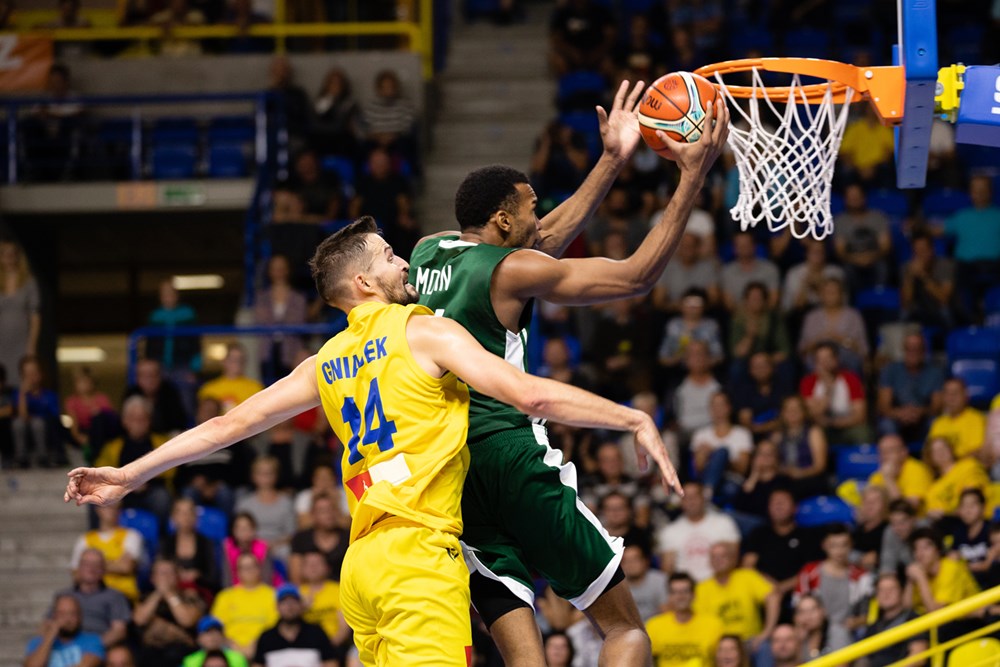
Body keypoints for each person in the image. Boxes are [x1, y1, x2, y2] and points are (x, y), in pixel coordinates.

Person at [64, 218, 681, 666]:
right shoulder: (422, 330)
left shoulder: (322, 361)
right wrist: (631, 418)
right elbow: (531, 397)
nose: (404, 264)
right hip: (417, 558)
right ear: (363, 280)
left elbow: (226, 427)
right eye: (389, 256)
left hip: (360, 569)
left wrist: (132, 473)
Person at [405, 84, 727, 664]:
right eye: (530, 205)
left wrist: (611, 161)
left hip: (449, 468)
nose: (539, 213)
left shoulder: (428, 251)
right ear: (503, 219)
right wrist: (692, 176)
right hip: (510, 452)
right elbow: (635, 277)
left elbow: (538, 243)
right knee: (624, 630)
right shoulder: (510, 270)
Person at [94, 396, 174, 522]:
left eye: (142, 419)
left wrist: (144, 482)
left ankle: (163, 539)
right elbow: (101, 470)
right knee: (96, 497)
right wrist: (126, 484)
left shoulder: (160, 443)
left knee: (162, 498)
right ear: (125, 421)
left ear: (149, 421)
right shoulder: (113, 447)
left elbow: (170, 470)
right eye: (133, 419)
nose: (138, 423)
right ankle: (99, 537)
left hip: (151, 490)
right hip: (121, 491)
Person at [742, 488, 824, 607]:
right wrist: (769, 585)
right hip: (763, 594)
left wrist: (782, 587)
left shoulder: (808, 536)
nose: (778, 506)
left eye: (783, 502)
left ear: (795, 508)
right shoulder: (759, 533)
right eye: (774, 502)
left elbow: (812, 570)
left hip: (798, 595)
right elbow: (748, 565)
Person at [694, 542, 780, 650]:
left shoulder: (747, 576)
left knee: (764, 647)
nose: (718, 560)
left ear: (733, 559)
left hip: (750, 641)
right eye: (714, 557)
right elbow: (699, 622)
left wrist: (767, 632)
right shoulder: (701, 588)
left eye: (723, 556)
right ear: (709, 561)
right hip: (719, 645)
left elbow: (773, 597)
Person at [794, 524, 873, 637]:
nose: (839, 551)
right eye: (834, 545)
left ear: (851, 545)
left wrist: (856, 622)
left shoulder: (862, 577)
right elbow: (797, 607)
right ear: (824, 545)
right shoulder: (809, 572)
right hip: (812, 632)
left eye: (844, 545)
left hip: (847, 633)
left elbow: (868, 614)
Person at [656, 481, 739, 582]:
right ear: (680, 501)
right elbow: (667, 570)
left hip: (719, 586)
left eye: (695, 496)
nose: (691, 501)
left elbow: (733, 559)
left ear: (703, 498)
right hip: (687, 591)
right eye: (686, 497)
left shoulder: (724, 523)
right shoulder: (669, 531)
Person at [52, 548, 131, 648]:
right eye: (86, 564)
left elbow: (119, 631)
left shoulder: (115, 596)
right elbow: (47, 625)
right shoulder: (63, 595)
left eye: (96, 565)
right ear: (78, 568)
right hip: (64, 647)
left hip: (99, 649)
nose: (91, 569)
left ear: (104, 570)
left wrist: (92, 649)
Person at [133, 558, 205, 667]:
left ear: (178, 576)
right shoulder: (144, 598)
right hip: (150, 654)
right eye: (161, 573)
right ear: (153, 578)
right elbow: (139, 620)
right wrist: (158, 594)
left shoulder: (190, 597)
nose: (166, 577)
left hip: (182, 653)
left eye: (170, 572)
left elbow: (187, 621)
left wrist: (169, 594)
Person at [645, 572, 723, 667]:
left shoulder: (713, 624)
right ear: (669, 596)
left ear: (693, 595)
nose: (680, 597)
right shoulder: (654, 625)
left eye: (685, 591)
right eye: (675, 592)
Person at [70, 503, 144, 603]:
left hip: (124, 596)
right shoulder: (85, 539)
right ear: (98, 510)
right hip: (93, 596)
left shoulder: (131, 535)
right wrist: (114, 563)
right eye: (107, 507)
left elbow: (126, 566)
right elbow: (77, 575)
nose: (111, 510)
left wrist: (90, 566)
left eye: (114, 507)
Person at [877, 332, 944, 441]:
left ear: (924, 351)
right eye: (909, 348)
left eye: (917, 348)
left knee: (935, 423)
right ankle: (893, 456)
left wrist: (920, 412)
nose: (913, 352)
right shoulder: (890, 370)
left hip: (924, 418)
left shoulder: (935, 372)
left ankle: (930, 456)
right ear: (904, 350)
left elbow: (937, 407)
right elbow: (883, 406)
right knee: (886, 425)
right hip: (897, 418)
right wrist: (900, 413)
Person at [799, 342, 870, 446]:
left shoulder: (851, 379)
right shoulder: (808, 382)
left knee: (863, 433)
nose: (824, 362)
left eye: (828, 358)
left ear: (836, 359)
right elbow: (811, 415)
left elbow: (860, 415)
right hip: (821, 428)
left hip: (848, 425)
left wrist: (833, 423)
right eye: (820, 359)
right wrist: (828, 388)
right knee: (811, 433)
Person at [251, 584, 338, 667]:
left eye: (293, 601)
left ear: (301, 605)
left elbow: (331, 663)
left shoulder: (317, 633)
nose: (289, 606)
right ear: (277, 607)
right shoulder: (266, 638)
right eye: (284, 602)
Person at [211, 553, 279, 657]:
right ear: (237, 572)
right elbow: (216, 627)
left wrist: (256, 645)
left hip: (264, 648)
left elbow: (275, 627)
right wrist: (233, 646)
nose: (249, 570)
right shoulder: (225, 596)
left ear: (259, 569)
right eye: (245, 567)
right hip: (229, 650)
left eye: (252, 566)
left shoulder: (273, 595)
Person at [254, 254, 308, 381]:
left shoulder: (298, 298)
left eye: (282, 268)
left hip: (292, 351)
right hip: (267, 351)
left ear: (288, 270)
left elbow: (299, 321)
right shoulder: (261, 297)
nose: (278, 272)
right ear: (269, 271)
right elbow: (260, 320)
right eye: (275, 268)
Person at [689, 392, 752, 502]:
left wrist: (715, 454)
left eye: (721, 405)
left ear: (729, 407)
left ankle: (708, 493)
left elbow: (742, 468)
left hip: (731, 480)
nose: (717, 409)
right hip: (705, 478)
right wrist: (705, 456)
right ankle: (709, 490)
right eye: (714, 405)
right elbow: (698, 468)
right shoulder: (701, 434)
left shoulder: (742, 434)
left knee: (723, 452)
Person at [797, 277, 869, 372]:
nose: (830, 295)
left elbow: (863, 349)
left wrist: (840, 339)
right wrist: (821, 338)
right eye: (827, 292)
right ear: (821, 295)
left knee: (853, 361)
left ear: (841, 294)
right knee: (812, 361)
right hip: (818, 357)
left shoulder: (853, 316)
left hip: (846, 356)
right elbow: (803, 349)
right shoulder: (812, 317)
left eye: (834, 292)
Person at [859, 572, 929, 667]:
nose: (886, 594)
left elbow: (918, 657)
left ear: (901, 592)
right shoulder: (873, 627)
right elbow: (864, 658)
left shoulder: (913, 619)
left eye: (891, 589)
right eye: (881, 590)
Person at [234, 456, 297, 561]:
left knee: (286, 551)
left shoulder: (286, 502)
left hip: (278, 547)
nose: (265, 477)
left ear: (276, 476)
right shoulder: (244, 504)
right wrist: (259, 546)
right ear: (253, 476)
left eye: (269, 473)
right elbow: (239, 532)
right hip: (250, 546)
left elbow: (291, 533)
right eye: (261, 473)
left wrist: (274, 544)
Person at [833, 183, 892, 293]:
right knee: (846, 270)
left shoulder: (878, 217)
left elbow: (885, 246)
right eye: (851, 197)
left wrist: (870, 257)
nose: (854, 200)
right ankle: (853, 301)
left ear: (864, 197)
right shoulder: (840, 221)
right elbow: (840, 251)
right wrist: (856, 259)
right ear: (845, 199)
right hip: (851, 260)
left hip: (875, 259)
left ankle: (880, 296)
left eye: (857, 196)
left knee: (882, 266)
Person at [907, 528, 980, 614]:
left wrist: (921, 578)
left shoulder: (950, 567)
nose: (920, 554)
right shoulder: (921, 571)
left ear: (937, 550)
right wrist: (910, 581)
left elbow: (936, 612)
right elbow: (907, 608)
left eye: (925, 548)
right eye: (916, 549)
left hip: (972, 620)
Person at [159, 497, 220, 595]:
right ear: (174, 517)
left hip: (200, 591)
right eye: (181, 513)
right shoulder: (166, 543)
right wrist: (176, 575)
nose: (186, 517)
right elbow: (158, 573)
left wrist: (198, 575)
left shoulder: (206, 543)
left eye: (189, 512)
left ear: (196, 517)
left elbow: (213, 577)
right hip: (171, 591)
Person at [772, 395, 830, 496]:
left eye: (796, 408)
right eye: (788, 409)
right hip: (784, 477)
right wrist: (783, 470)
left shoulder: (814, 432)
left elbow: (819, 466)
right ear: (782, 413)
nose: (792, 412)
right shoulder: (777, 435)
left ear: (804, 411)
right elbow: (771, 462)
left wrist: (800, 473)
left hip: (808, 477)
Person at [24, 594, 104, 667]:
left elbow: (87, 664)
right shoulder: (37, 642)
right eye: (62, 614)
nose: (67, 619)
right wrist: (50, 635)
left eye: (73, 614)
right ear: (54, 616)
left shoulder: (93, 640)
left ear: (80, 617)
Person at [923, 436, 991, 520]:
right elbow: (938, 514)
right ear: (930, 458)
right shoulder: (932, 491)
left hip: (984, 517)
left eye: (943, 447)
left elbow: (973, 499)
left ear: (950, 449)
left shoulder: (969, 465)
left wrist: (948, 512)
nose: (940, 452)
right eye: (935, 451)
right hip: (954, 526)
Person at [12, 355, 62, 468]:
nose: (31, 377)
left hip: (46, 429)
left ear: (40, 374)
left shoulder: (49, 395)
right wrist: (23, 395)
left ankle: (43, 457)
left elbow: (54, 417)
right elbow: (22, 416)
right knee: (18, 423)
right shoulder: (18, 394)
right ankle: (21, 458)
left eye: (34, 373)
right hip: (26, 427)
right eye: (27, 374)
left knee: (37, 423)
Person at [651, 232, 720, 314]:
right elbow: (658, 300)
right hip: (673, 312)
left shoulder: (708, 267)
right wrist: (679, 307)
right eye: (684, 246)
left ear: (698, 248)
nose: (687, 250)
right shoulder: (667, 267)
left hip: (702, 313)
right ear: (678, 248)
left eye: (691, 246)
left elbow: (714, 299)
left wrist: (695, 308)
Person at [288, 492, 349, 583]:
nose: (329, 514)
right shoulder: (301, 539)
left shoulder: (348, 537)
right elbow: (296, 578)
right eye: (323, 511)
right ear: (313, 515)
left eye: (332, 509)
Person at [866, 434, 933, 512]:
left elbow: (908, 511)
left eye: (889, 451)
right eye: (882, 452)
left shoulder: (916, 470)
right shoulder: (877, 475)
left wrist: (889, 480)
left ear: (903, 452)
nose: (884, 456)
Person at [901, 232, 955, 328]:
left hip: (939, 309)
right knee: (903, 315)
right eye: (916, 252)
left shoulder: (945, 265)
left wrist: (923, 276)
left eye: (923, 250)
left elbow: (944, 299)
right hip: (918, 310)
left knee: (946, 313)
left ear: (932, 250)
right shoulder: (907, 268)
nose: (920, 255)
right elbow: (906, 302)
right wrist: (910, 278)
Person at [943, 488, 994, 588]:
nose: (967, 510)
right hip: (968, 587)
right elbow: (952, 559)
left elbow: (989, 565)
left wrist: (964, 566)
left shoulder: (993, 530)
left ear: (983, 507)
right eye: (963, 506)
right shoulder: (958, 533)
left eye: (972, 505)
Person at [125, 358, 191, 435]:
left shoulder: (171, 393)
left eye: (152, 375)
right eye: (144, 375)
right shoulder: (131, 393)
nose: (149, 380)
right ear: (138, 378)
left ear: (159, 376)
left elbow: (179, 423)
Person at [926, 377, 986, 460]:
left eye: (955, 393)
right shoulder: (938, 422)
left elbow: (978, 452)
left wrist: (953, 465)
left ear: (965, 395)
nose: (951, 398)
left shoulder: (976, 419)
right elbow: (929, 453)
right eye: (947, 394)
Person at [732, 352, 789, 440]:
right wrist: (771, 425)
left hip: (781, 434)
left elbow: (787, 417)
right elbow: (746, 423)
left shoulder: (783, 387)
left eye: (764, 365)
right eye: (756, 366)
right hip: (753, 438)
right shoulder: (744, 390)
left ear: (772, 367)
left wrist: (762, 427)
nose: (761, 369)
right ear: (750, 370)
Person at [297, 550, 349, 646]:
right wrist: (301, 608)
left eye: (317, 563)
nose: (313, 567)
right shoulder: (297, 593)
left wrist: (326, 649)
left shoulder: (338, 590)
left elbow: (344, 629)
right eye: (308, 564)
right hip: (304, 649)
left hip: (334, 645)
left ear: (327, 567)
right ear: (302, 569)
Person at [720, 233, 780, 311]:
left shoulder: (770, 269)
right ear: (734, 248)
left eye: (746, 244)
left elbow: (773, 300)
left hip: (766, 317)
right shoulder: (727, 272)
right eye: (739, 245)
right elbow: (729, 304)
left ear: (754, 246)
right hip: (738, 318)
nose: (743, 248)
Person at [794, 594, 851, 662]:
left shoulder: (836, 632)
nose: (807, 616)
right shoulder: (800, 638)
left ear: (823, 611)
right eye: (802, 612)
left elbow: (841, 664)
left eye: (812, 610)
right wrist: (798, 642)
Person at [621, 545, 668, 623]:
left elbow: (666, 612)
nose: (630, 565)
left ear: (645, 561)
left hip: (656, 629)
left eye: (635, 560)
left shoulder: (659, 580)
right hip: (629, 630)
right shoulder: (616, 585)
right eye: (626, 561)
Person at [181, 616, 250, 667]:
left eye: (217, 631)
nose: (213, 636)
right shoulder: (190, 661)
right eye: (208, 632)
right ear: (199, 638)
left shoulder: (237, 658)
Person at [853, 485, 890, 571]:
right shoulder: (856, 530)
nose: (869, 506)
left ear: (885, 505)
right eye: (866, 501)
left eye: (875, 502)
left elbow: (871, 560)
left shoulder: (889, 531)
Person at [880, 499, 919, 577]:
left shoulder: (925, 530)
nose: (898, 528)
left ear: (913, 520)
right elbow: (887, 568)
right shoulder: (890, 532)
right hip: (909, 579)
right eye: (894, 523)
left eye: (902, 522)